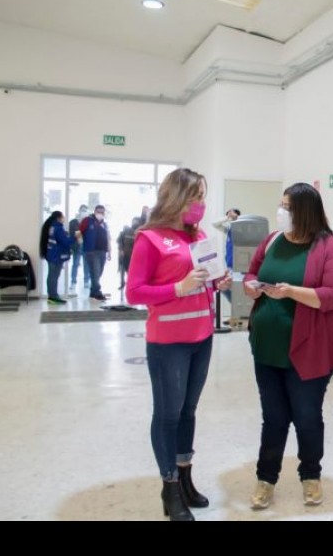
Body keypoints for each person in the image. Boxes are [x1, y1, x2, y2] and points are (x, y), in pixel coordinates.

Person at [126, 168, 232, 522]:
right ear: (177, 197)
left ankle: (185, 477)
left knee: (188, 411)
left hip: (201, 337)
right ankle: (169, 487)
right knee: (168, 414)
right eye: (196, 196)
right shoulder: (150, 239)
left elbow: (204, 279)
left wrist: (217, 283)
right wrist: (178, 288)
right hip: (168, 343)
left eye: (203, 196)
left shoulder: (197, 235)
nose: (201, 203)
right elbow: (134, 292)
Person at [244, 183, 333, 511]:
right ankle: (266, 479)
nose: (281, 212)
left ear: (305, 212)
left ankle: (310, 475)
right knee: (273, 418)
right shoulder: (272, 240)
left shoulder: (330, 248)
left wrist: (291, 291)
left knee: (306, 417)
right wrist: (251, 287)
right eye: (281, 205)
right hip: (267, 348)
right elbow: (253, 272)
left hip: (309, 350)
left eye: (288, 207)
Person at [40, 211, 76, 305]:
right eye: (63, 217)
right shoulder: (58, 228)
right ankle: (53, 297)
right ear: (58, 218)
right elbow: (66, 242)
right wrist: (75, 238)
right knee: (54, 277)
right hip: (56, 256)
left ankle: (52, 296)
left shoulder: (51, 227)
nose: (64, 218)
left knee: (51, 276)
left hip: (51, 254)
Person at [79, 205, 112, 302]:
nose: (100, 214)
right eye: (98, 211)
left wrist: (109, 251)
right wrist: (81, 244)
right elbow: (79, 232)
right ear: (94, 211)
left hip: (102, 251)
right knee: (96, 271)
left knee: (98, 272)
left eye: (102, 212)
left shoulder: (104, 224)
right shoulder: (87, 221)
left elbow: (108, 238)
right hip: (91, 251)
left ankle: (93, 292)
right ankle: (97, 292)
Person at [68, 205, 89, 291]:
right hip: (76, 247)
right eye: (82, 210)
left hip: (86, 247)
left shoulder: (88, 222)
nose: (83, 212)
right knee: (75, 264)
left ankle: (86, 281)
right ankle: (73, 282)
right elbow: (72, 233)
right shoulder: (73, 222)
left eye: (85, 210)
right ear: (79, 211)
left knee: (86, 265)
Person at [117, 218, 139, 290]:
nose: (134, 223)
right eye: (133, 221)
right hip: (124, 255)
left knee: (130, 271)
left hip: (133, 256)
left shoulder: (139, 233)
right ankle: (122, 283)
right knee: (122, 270)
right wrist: (121, 249)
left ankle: (131, 284)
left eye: (136, 222)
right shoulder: (126, 231)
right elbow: (119, 241)